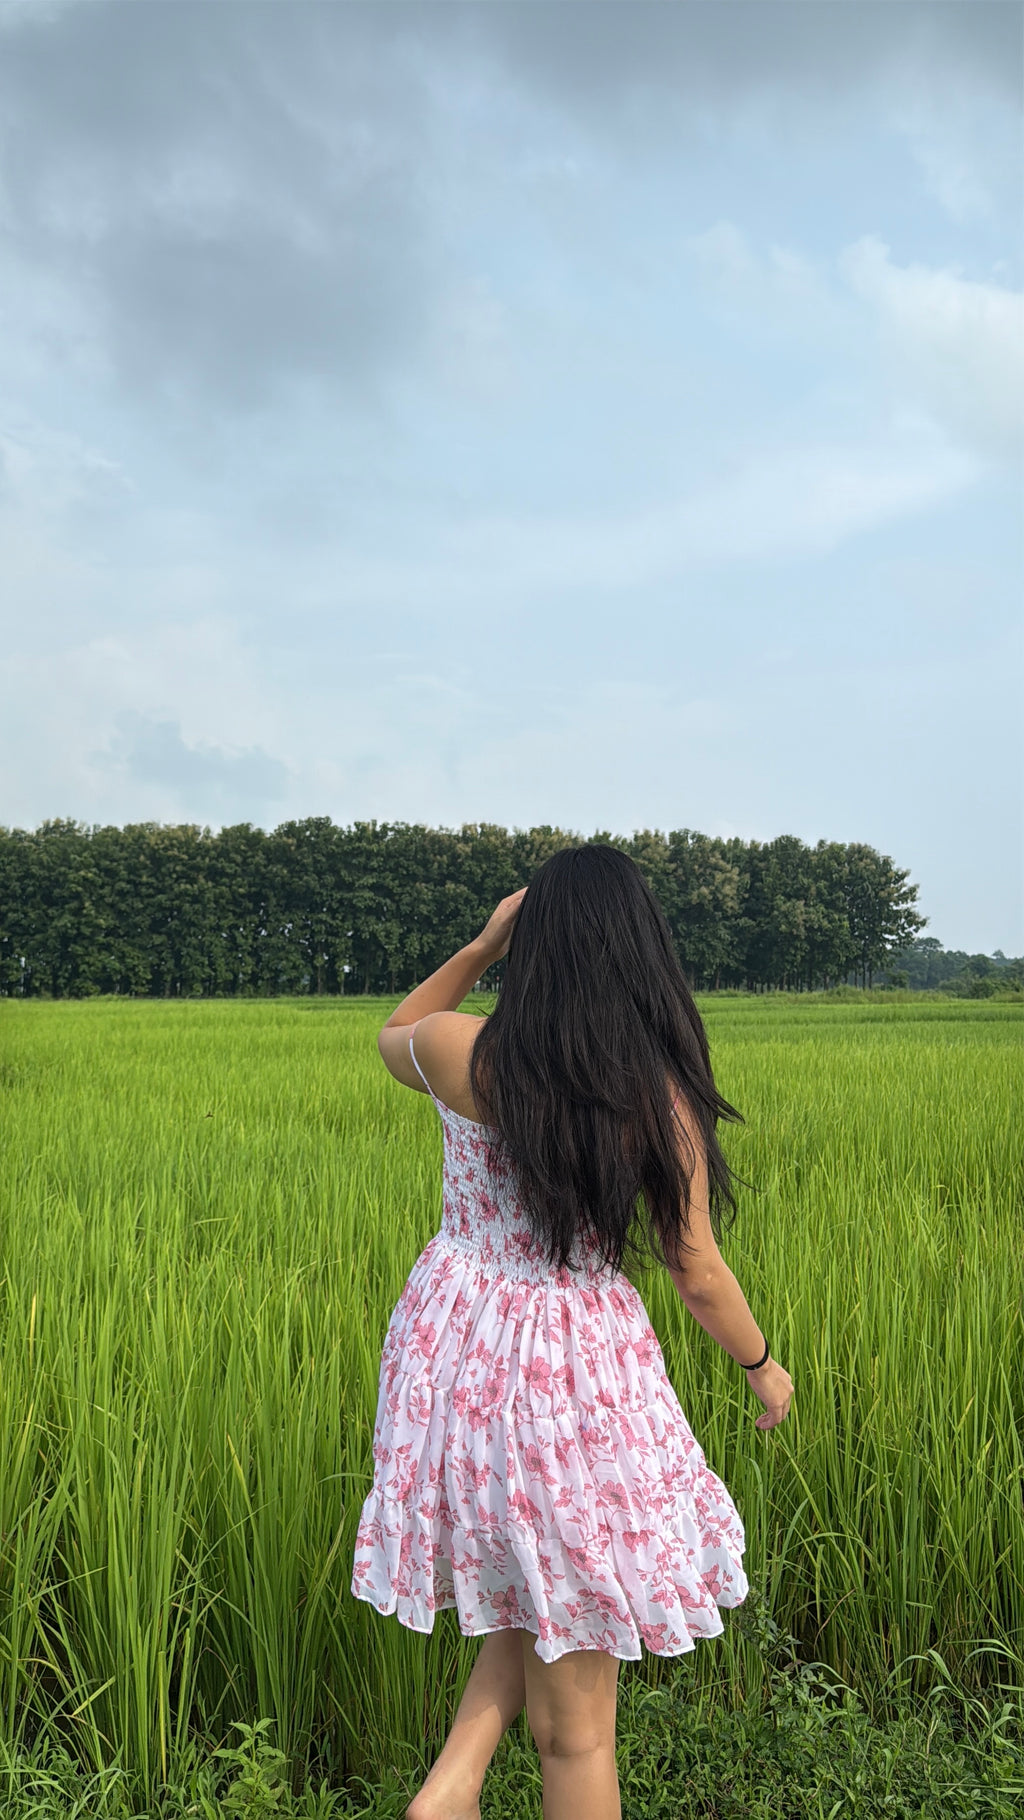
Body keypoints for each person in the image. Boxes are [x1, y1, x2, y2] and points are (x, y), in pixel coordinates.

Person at [351, 846, 794, 1820]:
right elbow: (696, 1268)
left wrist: (479, 942)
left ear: (535, 944)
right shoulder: (651, 1098)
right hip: (569, 1379)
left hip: (451, 1360)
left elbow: (393, 1026)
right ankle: (455, 1786)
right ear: (640, 953)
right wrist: (763, 1366)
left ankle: (453, 1784)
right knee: (577, 1726)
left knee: (541, 1572)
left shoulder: (460, 1051)